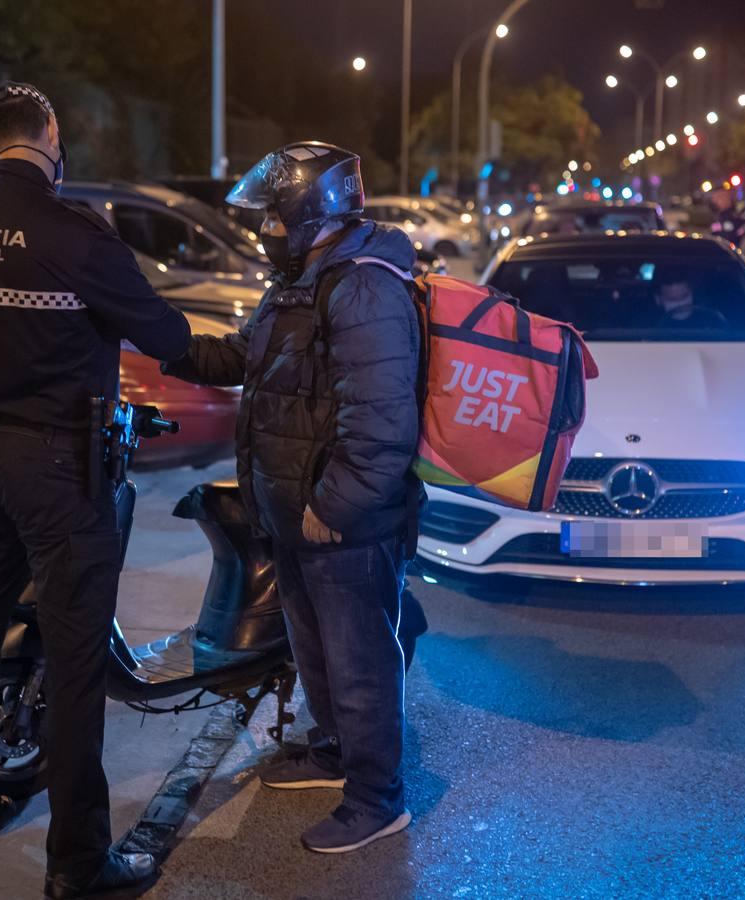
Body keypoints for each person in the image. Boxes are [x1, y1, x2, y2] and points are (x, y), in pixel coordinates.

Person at [0, 81, 191, 899]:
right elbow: (168, 336)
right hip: (59, 467)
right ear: (50, 136)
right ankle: (78, 863)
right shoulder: (76, 233)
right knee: (75, 661)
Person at [164, 141, 420, 853]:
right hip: (295, 514)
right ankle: (336, 751)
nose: (265, 231)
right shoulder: (299, 279)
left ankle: (378, 798)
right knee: (318, 653)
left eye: (275, 218)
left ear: (314, 213)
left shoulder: (364, 286)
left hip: (345, 523)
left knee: (361, 660)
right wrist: (162, 336)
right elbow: (245, 360)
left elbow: (380, 421)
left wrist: (334, 507)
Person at [651, 269, 725, 329]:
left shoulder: (712, 321)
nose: (680, 303)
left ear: (692, 294)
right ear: (658, 299)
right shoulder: (648, 328)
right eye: (673, 299)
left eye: (684, 296)